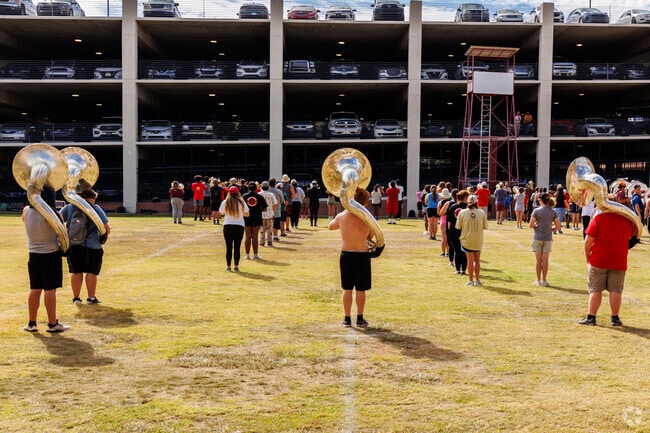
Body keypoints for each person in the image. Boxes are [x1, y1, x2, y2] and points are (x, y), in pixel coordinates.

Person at [21, 186, 70, 333]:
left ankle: (31, 323)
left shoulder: (26, 211)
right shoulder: (55, 215)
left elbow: (25, 220)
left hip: (33, 255)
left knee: (35, 289)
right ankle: (52, 323)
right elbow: (62, 234)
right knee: (50, 290)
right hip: (50, 255)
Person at [578, 210, 636, 326]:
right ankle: (615, 318)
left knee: (595, 289)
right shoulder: (626, 220)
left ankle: (591, 317)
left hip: (599, 259)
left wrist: (587, 257)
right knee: (616, 290)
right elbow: (632, 236)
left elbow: (587, 241)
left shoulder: (599, 218)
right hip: (619, 260)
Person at [329, 187, 375, 328]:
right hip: (362, 254)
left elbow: (331, 226)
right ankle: (360, 318)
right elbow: (371, 236)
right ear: (365, 203)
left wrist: (343, 212)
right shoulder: (367, 218)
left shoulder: (342, 216)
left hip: (346, 254)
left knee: (347, 288)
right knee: (361, 289)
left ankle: (347, 319)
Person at [60, 188, 111, 305]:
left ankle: (76, 298)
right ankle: (91, 297)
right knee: (92, 272)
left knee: (76, 271)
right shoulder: (96, 208)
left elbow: (59, 219)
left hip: (74, 245)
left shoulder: (70, 207)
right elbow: (106, 228)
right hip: (93, 246)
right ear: (92, 198)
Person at [529, 193, 560, 287]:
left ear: (541, 200)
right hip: (548, 238)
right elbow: (558, 226)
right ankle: (544, 280)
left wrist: (537, 226)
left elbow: (531, 225)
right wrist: (551, 229)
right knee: (545, 260)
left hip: (537, 237)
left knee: (538, 260)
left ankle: (537, 280)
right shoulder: (553, 212)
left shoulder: (536, 211)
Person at [456, 194, 488, 286]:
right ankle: (477, 280)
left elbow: (458, 227)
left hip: (467, 240)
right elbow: (485, 226)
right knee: (477, 260)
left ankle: (470, 280)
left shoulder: (462, 212)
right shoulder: (481, 212)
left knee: (470, 260)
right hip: (478, 239)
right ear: (476, 202)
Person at [218, 185, 250, 272]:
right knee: (237, 247)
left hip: (228, 225)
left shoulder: (225, 202)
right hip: (239, 225)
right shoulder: (241, 202)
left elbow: (221, 213)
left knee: (228, 247)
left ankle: (228, 266)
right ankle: (236, 266)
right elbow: (247, 213)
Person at [447, 189, 469, 275]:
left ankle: (457, 269)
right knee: (464, 251)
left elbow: (449, 223)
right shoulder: (467, 208)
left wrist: (450, 232)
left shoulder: (452, 207)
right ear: (465, 197)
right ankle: (463, 270)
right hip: (464, 232)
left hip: (453, 232)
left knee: (457, 251)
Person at [243, 181, 265, 260]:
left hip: (246, 217)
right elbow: (265, 207)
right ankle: (255, 255)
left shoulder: (244, 196)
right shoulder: (259, 197)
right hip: (257, 217)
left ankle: (247, 255)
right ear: (256, 188)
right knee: (255, 237)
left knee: (247, 236)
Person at [258, 181, 278, 247]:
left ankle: (262, 242)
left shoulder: (259, 194)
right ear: (268, 187)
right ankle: (269, 242)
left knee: (262, 230)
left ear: (262, 187)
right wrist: (273, 211)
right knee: (269, 229)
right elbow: (275, 203)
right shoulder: (271, 194)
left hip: (261, 214)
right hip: (269, 214)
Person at [437, 188, 453, 257]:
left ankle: (443, 252)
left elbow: (438, 213)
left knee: (444, 237)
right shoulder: (451, 203)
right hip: (450, 220)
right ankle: (449, 252)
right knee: (449, 237)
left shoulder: (440, 202)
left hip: (443, 220)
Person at [268, 178, 284, 242]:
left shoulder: (266, 191)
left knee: (268, 224)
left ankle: (268, 236)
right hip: (277, 210)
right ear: (275, 183)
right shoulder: (278, 191)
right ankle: (275, 236)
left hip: (268, 210)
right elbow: (282, 200)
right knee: (276, 223)